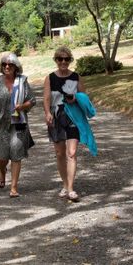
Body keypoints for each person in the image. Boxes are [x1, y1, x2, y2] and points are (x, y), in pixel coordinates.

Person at [0, 53, 36, 198]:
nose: (7, 67)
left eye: (10, 65)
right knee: (1, 156)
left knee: (16, 154)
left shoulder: (22, 81)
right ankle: (2, 171)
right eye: (4, 65)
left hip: (18, 124)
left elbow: (32, 100)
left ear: (16, 67)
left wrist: (22, 106)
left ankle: (13, 188)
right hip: (0, 124)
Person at [43, 46, 85, 201]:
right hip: (56, 116)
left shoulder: (76, 77)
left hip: (73, 116)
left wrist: (76, 99)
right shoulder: (50, 78)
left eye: (66, 59)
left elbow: (84, 97)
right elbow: (46, 98)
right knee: (60, 153)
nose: (63, 62)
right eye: (60, 59)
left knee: (72, 153)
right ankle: (65, 184)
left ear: (70, 60)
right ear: (56, 60)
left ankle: (71, 189)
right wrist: (47, 113)